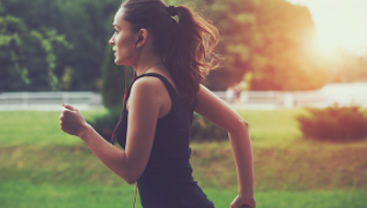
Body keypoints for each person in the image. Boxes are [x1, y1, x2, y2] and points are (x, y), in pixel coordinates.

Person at [59, 0, 255, 207]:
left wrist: (82, 129)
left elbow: (130, 170)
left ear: (141, 37)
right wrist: (246, 195)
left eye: (117, 31)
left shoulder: (147, 87)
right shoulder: (180, 80)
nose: (111, 40)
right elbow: (239, 126)